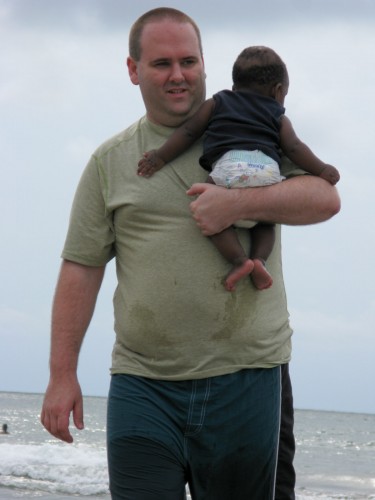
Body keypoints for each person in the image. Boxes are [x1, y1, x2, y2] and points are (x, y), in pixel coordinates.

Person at [40, 7, 340, 500]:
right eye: (161, 64)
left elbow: (326, 200)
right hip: (145, 384)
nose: (178, 75)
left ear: (205, 64)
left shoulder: (254, 129)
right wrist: (61, 374)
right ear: (133, 70)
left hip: (249, 376)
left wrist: (239, 203)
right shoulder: (109, 162)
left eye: (188, 61)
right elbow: (81, 266)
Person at [137, 45, 340, 292]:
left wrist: (159, 157)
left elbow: (189, 132)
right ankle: (259, 260)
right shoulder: (277, 115)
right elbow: (295, 147)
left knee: (209, 210)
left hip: (229, 166)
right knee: (267, 220)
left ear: (235, 86)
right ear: (278, 91)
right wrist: (323, 170)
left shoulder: (218, 102)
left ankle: (239, 261)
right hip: (266, 169)